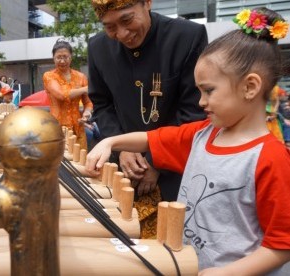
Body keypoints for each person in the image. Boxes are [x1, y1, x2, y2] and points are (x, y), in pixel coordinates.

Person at [86, 7, 290, 275]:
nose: (201, 101)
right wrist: (110, 143)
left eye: (208, 91)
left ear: (250, 87)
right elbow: (150, 138)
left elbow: (282, 243)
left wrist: (227, 272)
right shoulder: (202, 135)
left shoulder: (271, 158)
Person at [88, 0, 208, 238]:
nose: (121, 34)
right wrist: (121, 146)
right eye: (110, 27)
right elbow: (102, 104)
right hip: (123, 171)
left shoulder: (187, 37)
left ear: (147, 3)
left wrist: (156, 160)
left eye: (126, 20)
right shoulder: (98, 47)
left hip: (176, 171)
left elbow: (193, 109)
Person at [43, 39, 93, 150]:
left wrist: (87, 113)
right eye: (58, 57)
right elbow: (61, 95)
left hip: (78, 128)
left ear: (71, 57)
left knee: (81, 162)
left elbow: (88, 102)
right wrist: (84, 89)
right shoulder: (49, 76)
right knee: (60, 163)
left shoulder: (81, 76)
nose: (62, 61)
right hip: (58, 130)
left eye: (65, 57)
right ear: (53, 58)